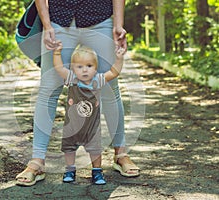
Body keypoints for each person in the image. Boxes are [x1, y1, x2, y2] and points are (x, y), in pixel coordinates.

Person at [16, 0, 140, 186]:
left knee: (110, 89)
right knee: (48, 90)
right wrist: (47, 24)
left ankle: (120, 154)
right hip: (58, 19)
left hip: (99, 17)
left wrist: (118, 24)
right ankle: (37, 160)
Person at [53, 43, 124, 185]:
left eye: (89, 66)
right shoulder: (72, 79)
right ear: (73, 68)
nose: (85, 70)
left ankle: (97, 171)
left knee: (95, 150)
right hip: (72, 126)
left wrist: (119, 58)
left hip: (92, 127)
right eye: (80, 67)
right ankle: (70, 170)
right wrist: (56, 53)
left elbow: (114, 72)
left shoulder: (97, 80)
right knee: (69, 148)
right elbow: (59, 68)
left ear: (96, 68)